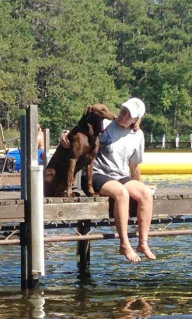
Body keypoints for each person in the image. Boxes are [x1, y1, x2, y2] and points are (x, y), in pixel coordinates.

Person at [63, 97, 155, 263]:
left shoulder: (137, 135)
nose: (123, 115)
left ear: (136, 119)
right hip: (96, 175)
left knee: (146, 194)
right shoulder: (104, 125)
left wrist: (140, 185)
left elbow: (134, 166)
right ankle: (124, 244)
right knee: (122, 193)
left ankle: (143, 243)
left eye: (129, 115)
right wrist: (64, 136)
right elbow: (79, 130)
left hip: (120, 175)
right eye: (123, 111)